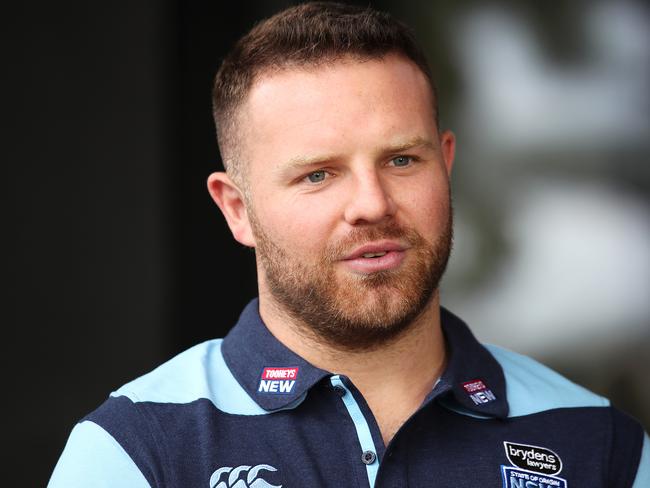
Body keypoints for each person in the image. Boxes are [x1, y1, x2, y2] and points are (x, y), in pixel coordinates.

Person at [49, 3, 649, 487]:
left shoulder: (599, 444)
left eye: (401, 159)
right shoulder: (138, 449)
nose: (372, 203)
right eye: (318, 174)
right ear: (238, 209)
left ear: (446, 165)